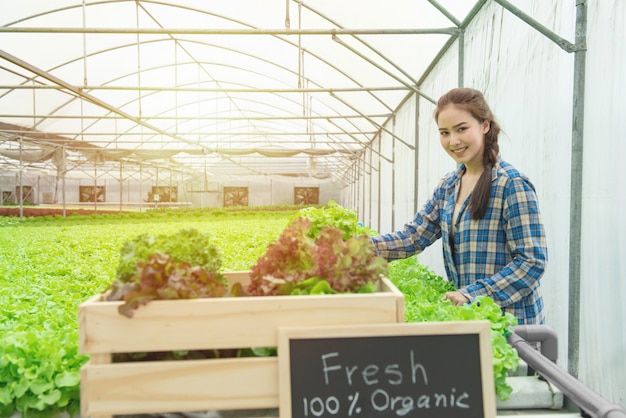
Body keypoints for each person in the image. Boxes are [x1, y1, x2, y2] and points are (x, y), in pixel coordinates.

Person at [371, 87, 547, 325]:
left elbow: (531, 261)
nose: (453, 141)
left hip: (512, 326)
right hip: (470, 321)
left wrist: (472, 294)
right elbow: (414, 237)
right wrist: (361, 247)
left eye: (462, 129)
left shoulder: (510, 184)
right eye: (444, 132)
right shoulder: (449, 186)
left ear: (484, 126)